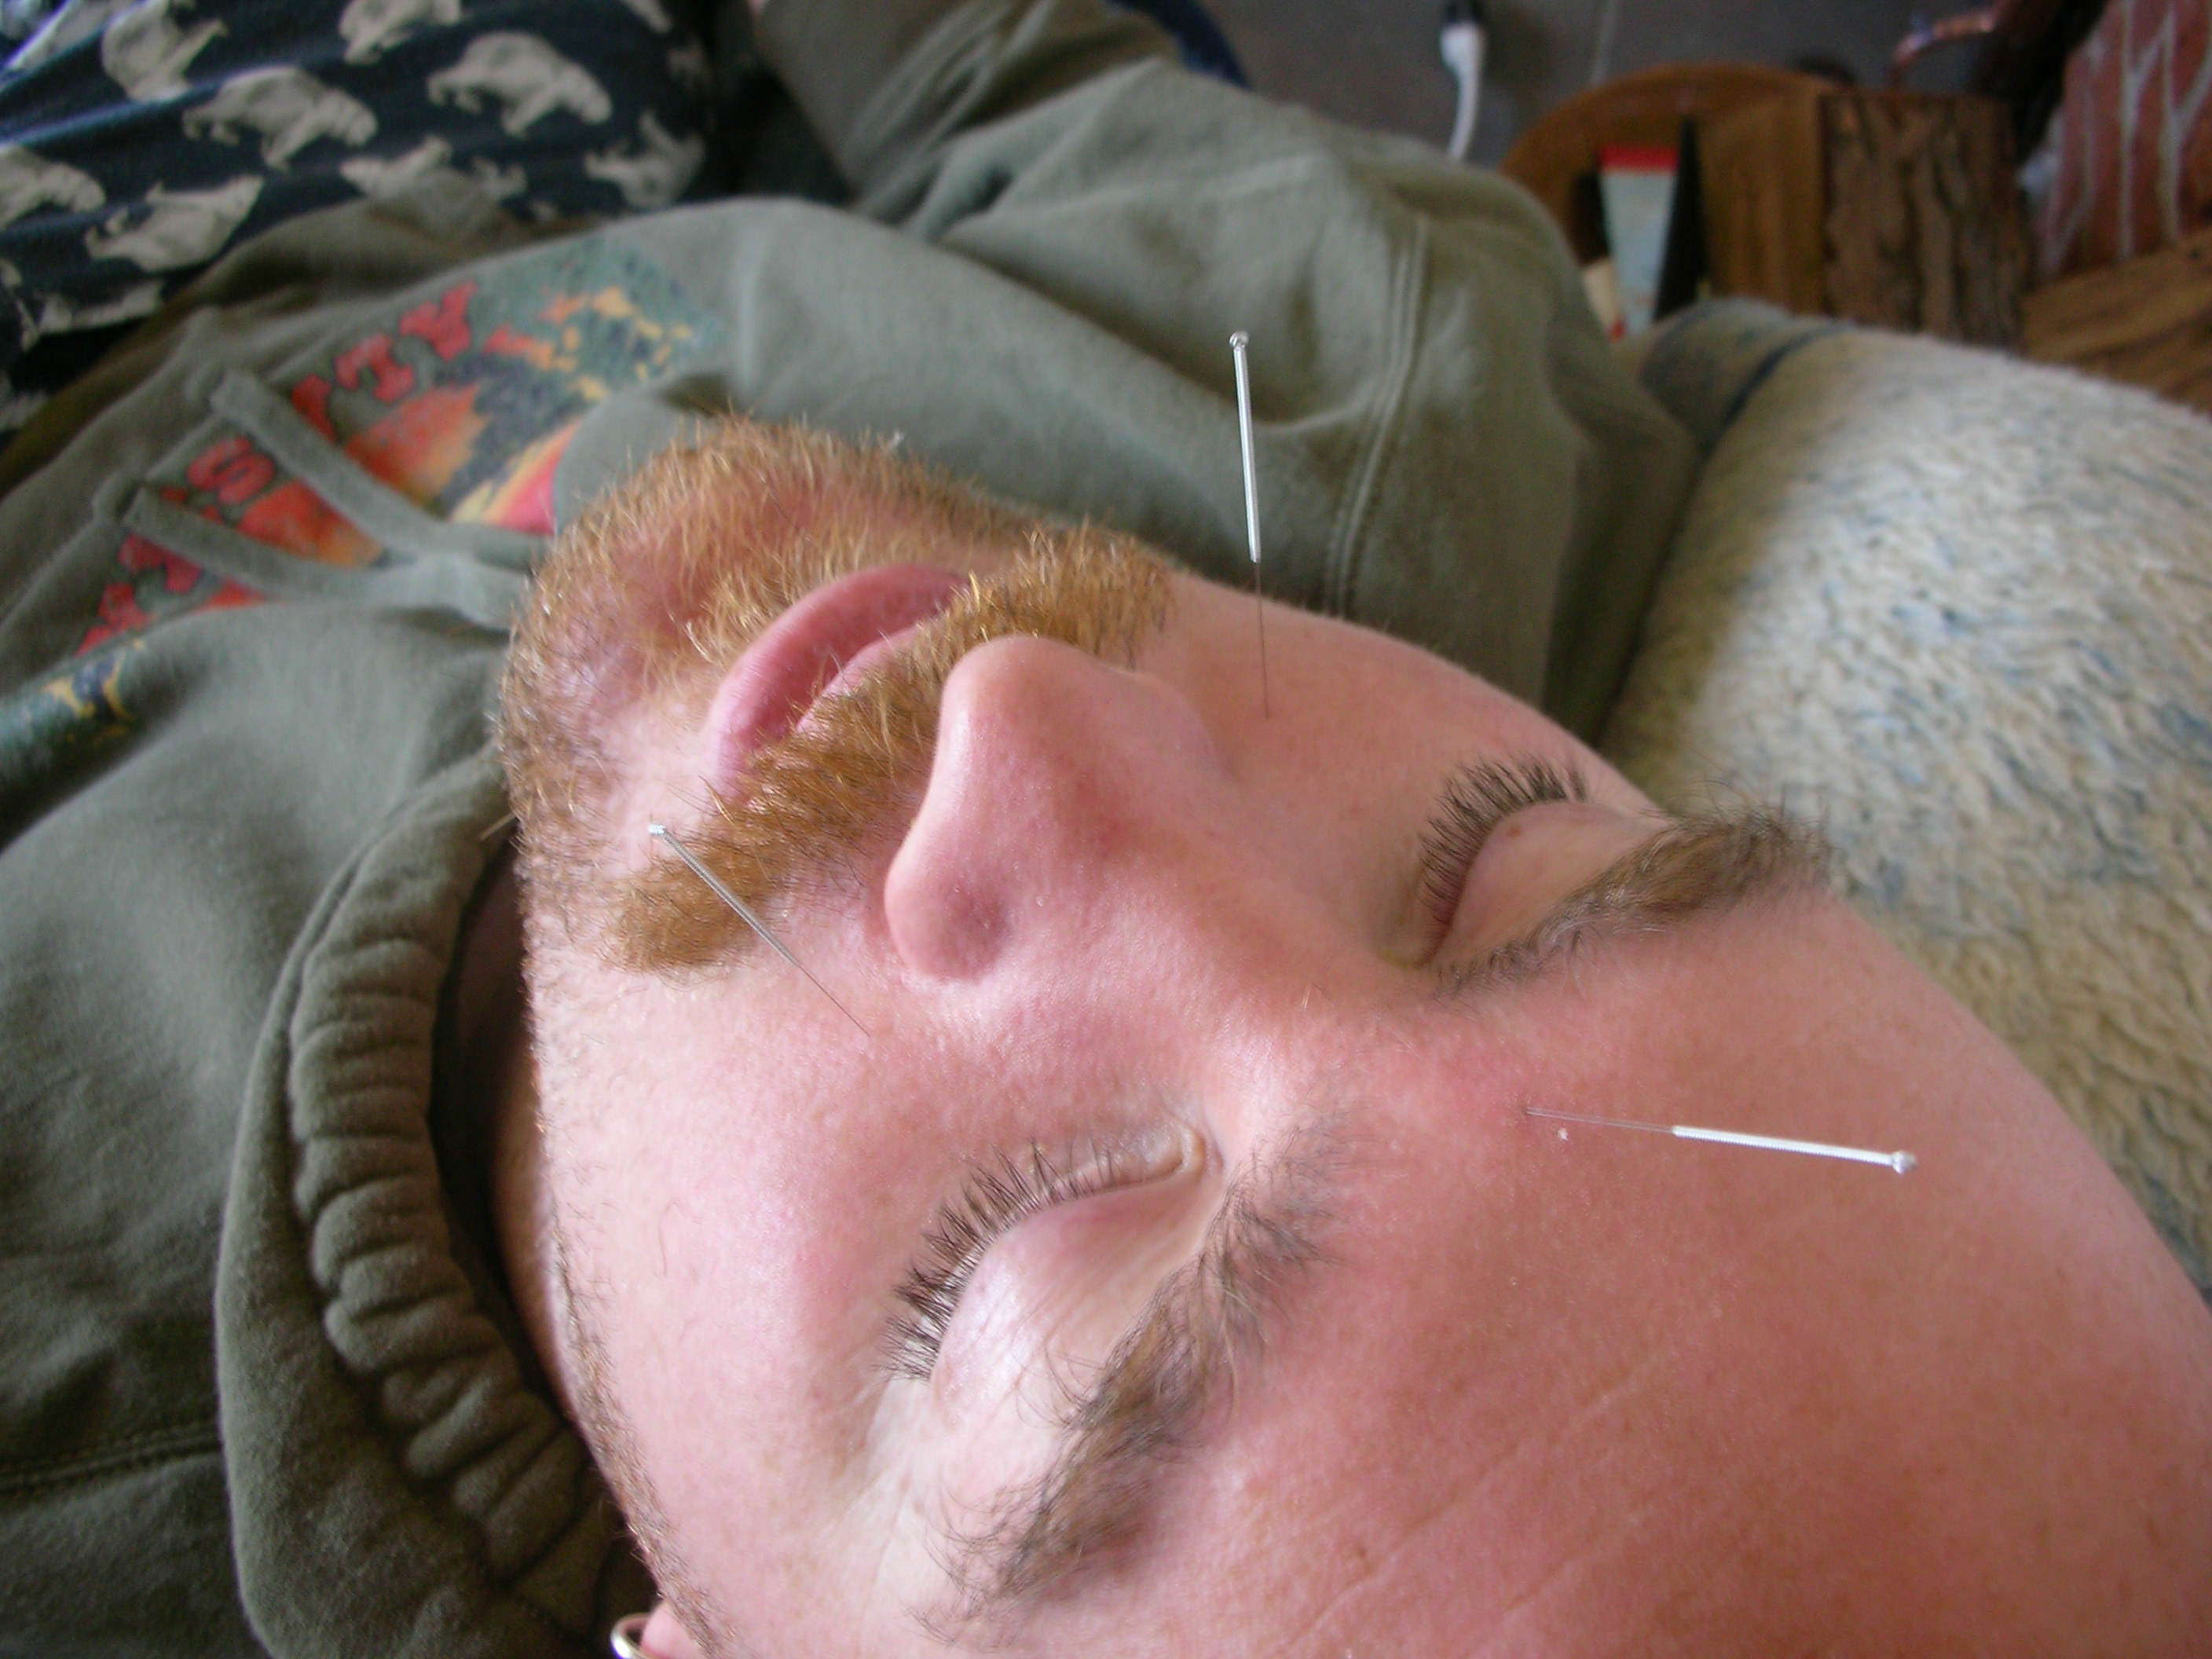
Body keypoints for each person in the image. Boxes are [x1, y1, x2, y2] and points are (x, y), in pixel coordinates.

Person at [0, 4, 2206, 1658]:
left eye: (1037, 1259)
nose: (1034, 706)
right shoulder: (1366, 365)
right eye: (1514, 860)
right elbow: (984, 59)